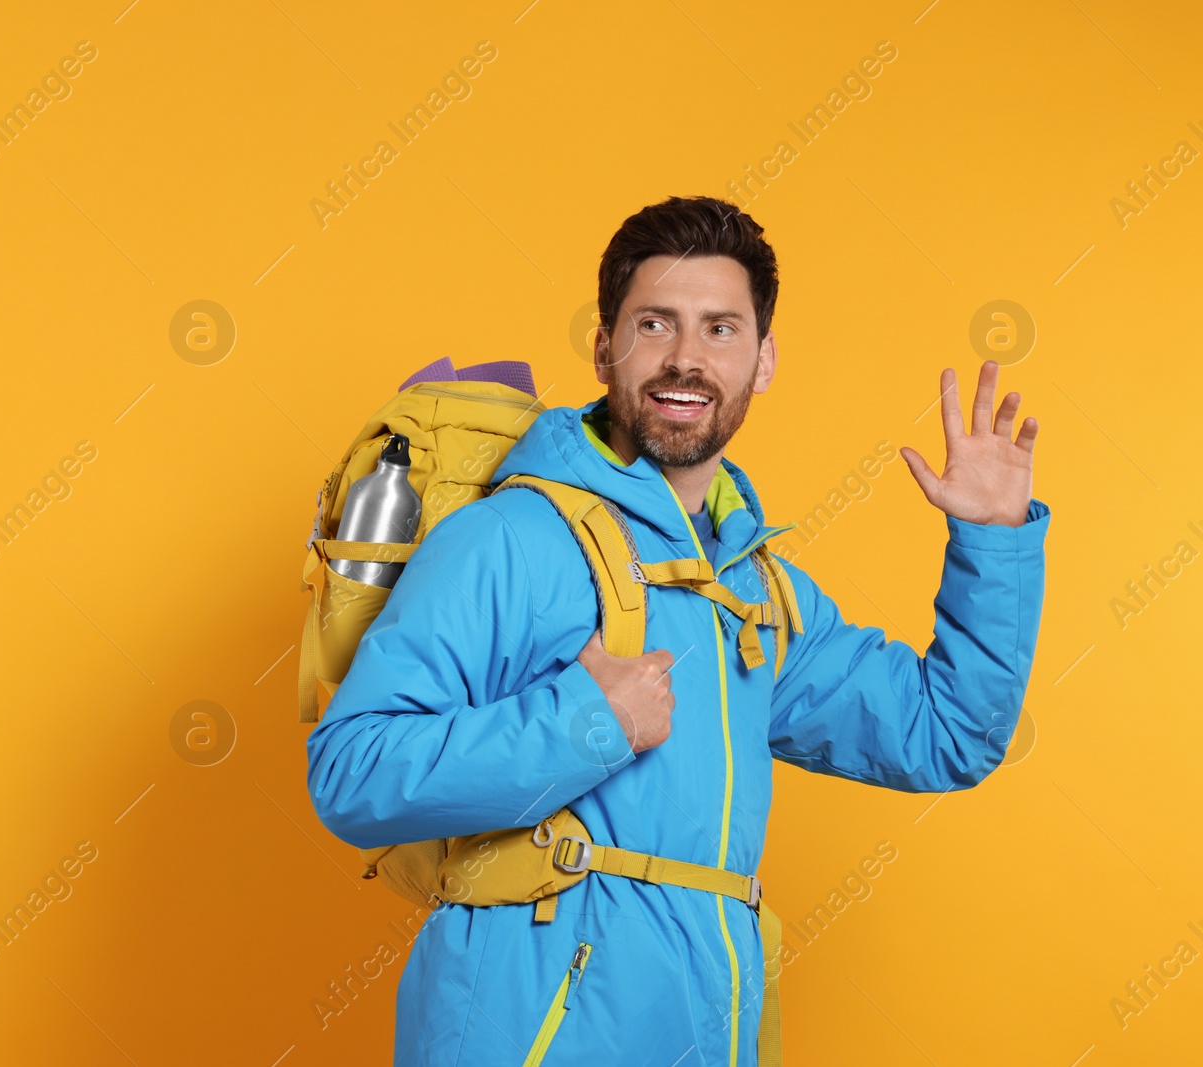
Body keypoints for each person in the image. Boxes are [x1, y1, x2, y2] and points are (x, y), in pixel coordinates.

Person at [305, 195, 1049, 1066]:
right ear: (603, 346)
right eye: (654, 323)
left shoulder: (757, 592)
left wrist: (994, 542)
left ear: (763, 360)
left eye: (721, 329)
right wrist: (585, 722)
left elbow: (946, 734)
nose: (686, 359)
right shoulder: (511, 540)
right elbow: (349, 772)